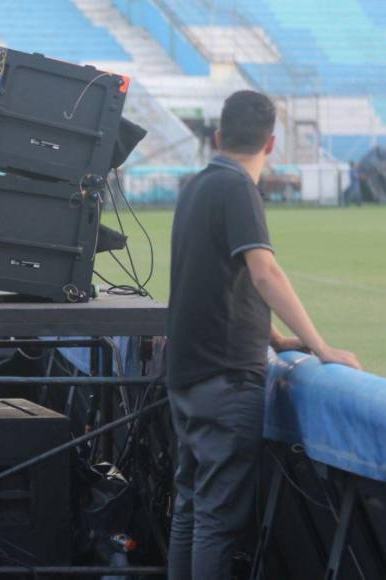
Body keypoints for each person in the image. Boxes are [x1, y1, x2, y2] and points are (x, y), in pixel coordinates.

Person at [166, 91, 360, 580]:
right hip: (225, 380)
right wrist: (320, 346)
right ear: (272, 144)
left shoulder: (194, 188)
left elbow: (212, 282)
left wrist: (274, 338)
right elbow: (264, 273)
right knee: (215, 519)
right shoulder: (237, 189)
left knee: (189, 509)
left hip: (186, 375)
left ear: (216, 137)